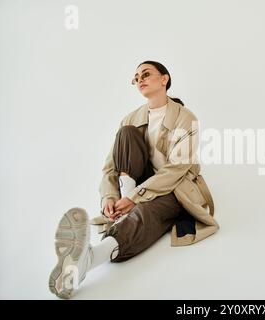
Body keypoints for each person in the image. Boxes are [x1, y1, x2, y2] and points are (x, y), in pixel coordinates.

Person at [49, 60, 219, 299]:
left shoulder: (186, 118)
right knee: (126, 134)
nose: (140, 79)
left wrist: (133, 198)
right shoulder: (130, 119)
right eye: (136, 77)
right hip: (134, 187)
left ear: (164, 79)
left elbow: (177, 169)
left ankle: (88, 260)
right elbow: (110, 167)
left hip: (174, 189)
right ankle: (118, 221)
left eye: (146, 74)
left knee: (146, 213)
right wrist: (110, 197)